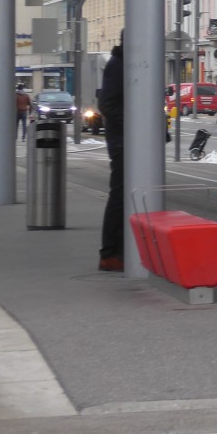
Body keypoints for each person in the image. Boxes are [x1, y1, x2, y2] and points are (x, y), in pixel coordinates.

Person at [98, 35, 125, 272]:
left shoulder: (124, 62)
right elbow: (107, 103)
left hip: (125, 141)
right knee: (119, 196)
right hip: (122, 143)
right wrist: (135, 123)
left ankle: (117, 251)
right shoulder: (118, 65)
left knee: (124, 196)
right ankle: (110, 253)